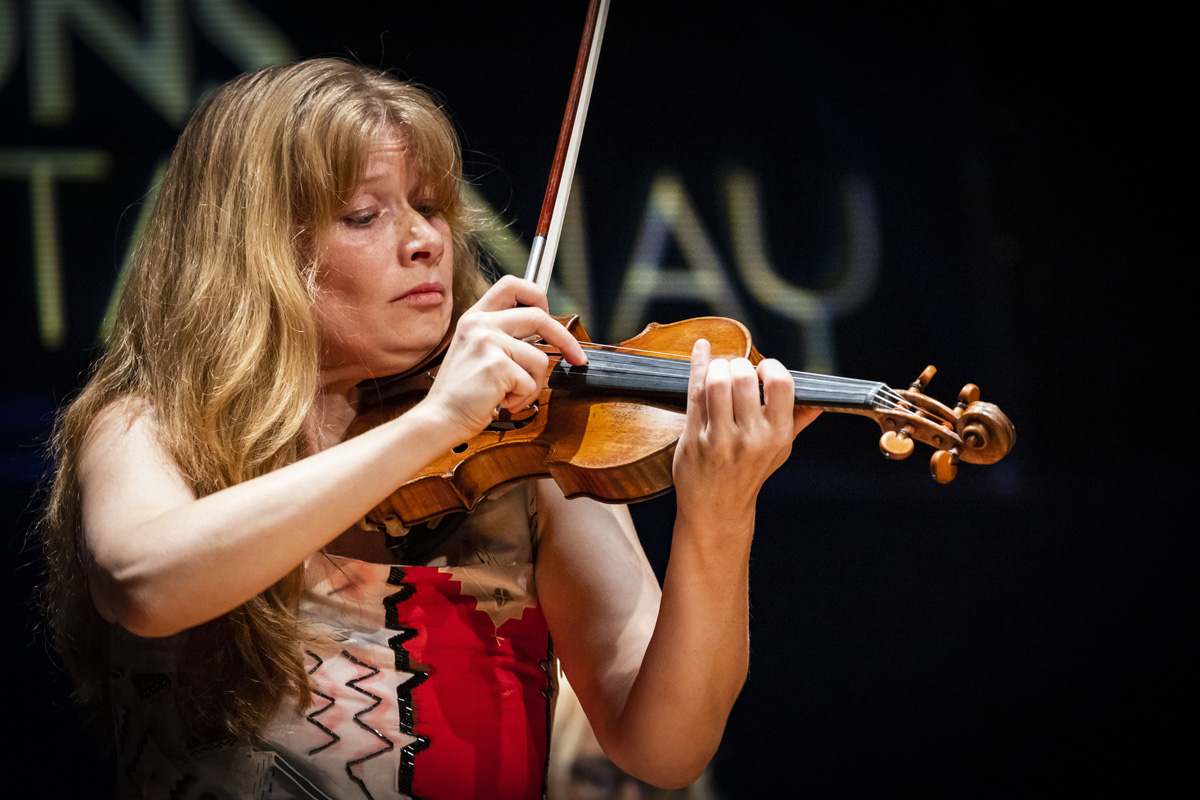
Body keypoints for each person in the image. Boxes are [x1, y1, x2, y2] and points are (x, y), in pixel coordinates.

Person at [39, 58, 818, 799]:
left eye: (431, 206)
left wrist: (719, 517)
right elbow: (144, 586)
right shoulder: (154, 426)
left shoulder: (526, 449)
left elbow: (667, 747)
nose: (426, 240)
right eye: (364, 215)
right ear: (255, 249)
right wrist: (436, 419)